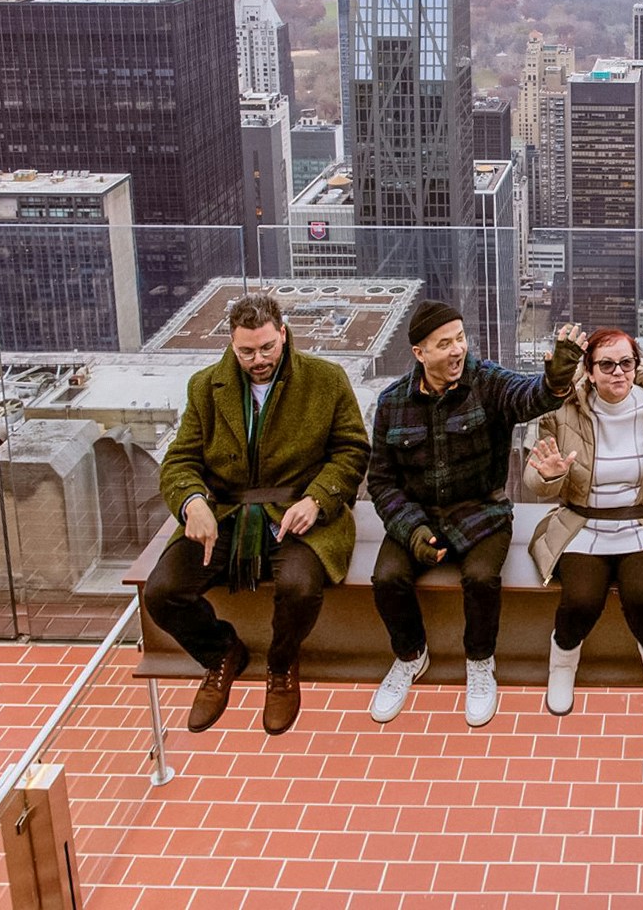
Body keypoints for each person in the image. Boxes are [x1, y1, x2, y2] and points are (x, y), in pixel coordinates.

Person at [148, 292, 371, 736]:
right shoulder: (204, 387)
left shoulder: (326, 379)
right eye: (247, 351)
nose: (259, 359)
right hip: (226, 513)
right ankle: (221, 654)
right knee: (162, 592)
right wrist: (193, 503)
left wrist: (317, 500)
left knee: (300, 587)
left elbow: (352, 451)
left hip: (297, 511)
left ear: (283, 335)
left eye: (267, 347)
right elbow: (180, 462)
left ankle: (283, 665)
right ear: (232, 345)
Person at [366, 302, 586, 728]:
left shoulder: (486, 382)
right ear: (419, 353)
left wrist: (556, 379)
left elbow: (529, 397)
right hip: (417, 515)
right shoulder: (392, 402)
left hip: (481, 512)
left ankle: (480, 661)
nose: (456, 351)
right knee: (388, 579)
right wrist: (412, 531)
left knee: (481, 578)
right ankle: (410, 654)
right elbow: (381, 481)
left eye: (460, 339)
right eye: (444, 344)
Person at [524, 328, 643, 721]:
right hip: (583, 523)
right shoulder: (561, 410)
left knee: (642, 596)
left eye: (626, 363)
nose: (618, 372)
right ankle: (562, 664)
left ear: (637, 366)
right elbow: (534, 482)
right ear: (589, 371)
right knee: (581, 599)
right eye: (606, 365)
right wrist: (550, 474)